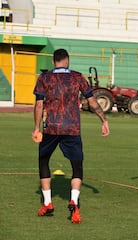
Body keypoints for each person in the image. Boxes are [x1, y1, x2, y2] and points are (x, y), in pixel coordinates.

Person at [32, 48, 110, 224]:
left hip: (51, 127)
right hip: (72, 128)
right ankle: (74, 201)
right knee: (77, 167)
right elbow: (92, 101)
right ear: (67, 61)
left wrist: (36, 127)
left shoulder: (44, 78)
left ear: (53, 62)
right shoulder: (77, 77)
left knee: (43, 161)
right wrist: (103, 120)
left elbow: (38, 105)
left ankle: (47, 203)